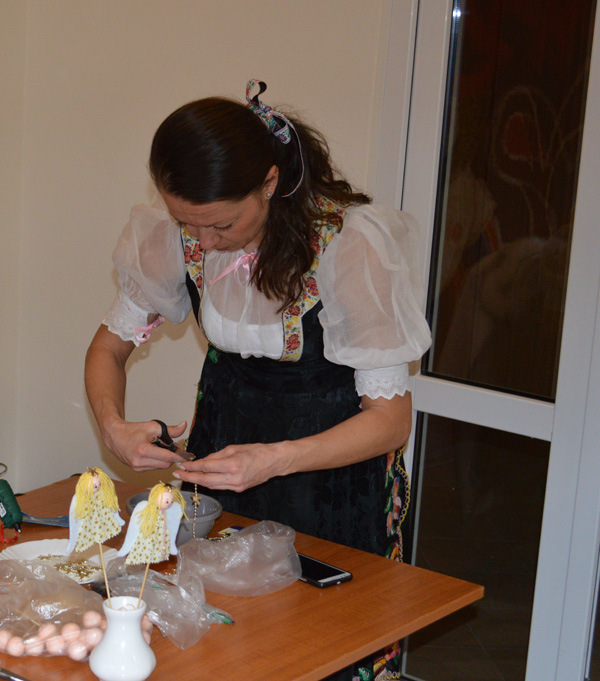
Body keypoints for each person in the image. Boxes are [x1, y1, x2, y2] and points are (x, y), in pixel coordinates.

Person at [85, 82, 431, 680]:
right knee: (224, 645)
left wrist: (275, 459)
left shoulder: (349, 246)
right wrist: (113, 426)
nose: (204, 242)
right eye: (187, 223)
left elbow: (390, 422)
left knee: (320, 647)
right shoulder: (183, 234)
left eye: (221, 224)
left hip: (331, 484)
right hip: (225, 470)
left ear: (269, 182)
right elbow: (107, 350)